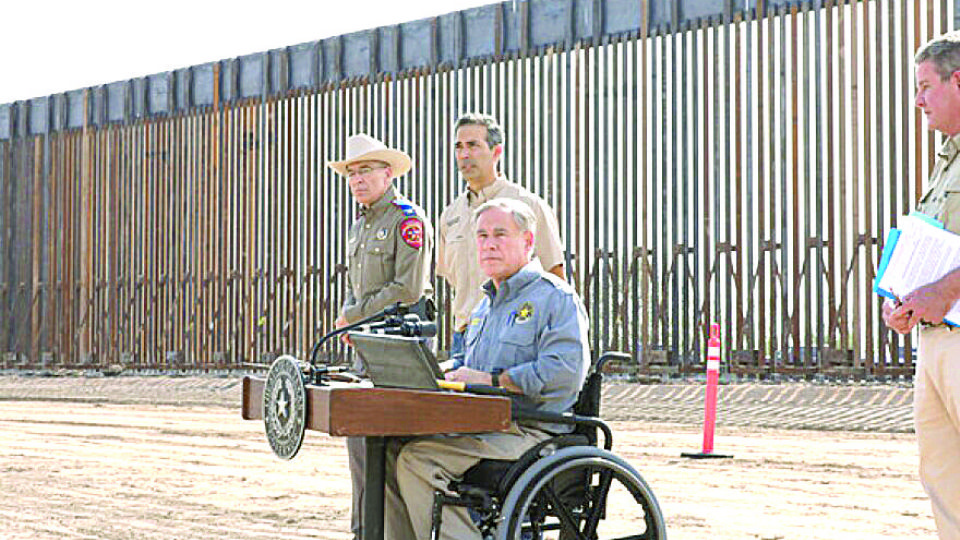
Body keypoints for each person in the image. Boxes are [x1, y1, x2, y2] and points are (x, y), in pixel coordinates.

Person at [384, 198, 590, 540]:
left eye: (499, 234)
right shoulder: (484, 306)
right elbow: (467, 365)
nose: (489, 244)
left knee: (417, 461)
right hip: (482, 425)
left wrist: (493, 380)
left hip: (531, 430)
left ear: (527, 242)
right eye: (481, 236)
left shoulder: (556, 299)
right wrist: (439, 373)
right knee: (389, 449)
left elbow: (563, 373)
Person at [327, 133, 434, 540]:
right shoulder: (359, 225)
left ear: (388, 174)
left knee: (395, 448)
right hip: (368, 343)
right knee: (360, 443)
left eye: (366, 171)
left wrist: (352, 316)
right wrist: (352, 322)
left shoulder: (407, 219)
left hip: (401, 347)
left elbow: (408, 288)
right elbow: (359, 285)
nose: (357, 179)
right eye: (352, 173)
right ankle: (365, 531)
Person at [883, 30, 960, 540]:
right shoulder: (945, 158)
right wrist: (903, 300)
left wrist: (947, 289)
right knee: (942, 478)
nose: (918, 101)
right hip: (934, 340)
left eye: (925, 86)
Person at [437, 113, 566, 360]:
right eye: (459, 147)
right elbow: (453, 280)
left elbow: (556, 279)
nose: (464, 154)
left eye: (473, 145)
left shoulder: (528, 206)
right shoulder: (450, 216)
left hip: (514, 339)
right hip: (464, 338)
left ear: (497, 152)